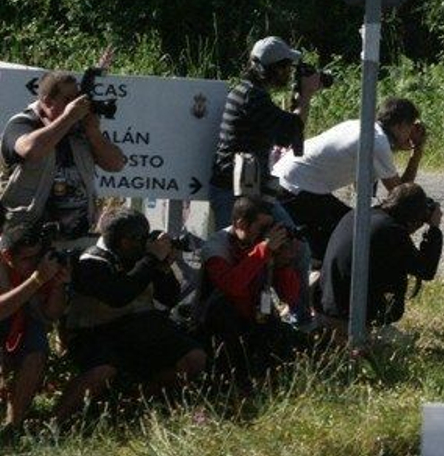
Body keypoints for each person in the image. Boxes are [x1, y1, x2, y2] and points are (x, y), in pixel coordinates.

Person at [55, 208, 207, 421]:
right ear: (115, 239)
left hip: (137, 330)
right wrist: (151, 259)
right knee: (102, 371)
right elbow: (119, 295)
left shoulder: (143, 259)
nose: (139, 244)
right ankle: (55, 421)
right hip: (93, 334)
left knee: (194, 358)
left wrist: (163, 266)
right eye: (133, 239)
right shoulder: (90, 262)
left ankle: (136, 401)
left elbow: (168, 298)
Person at [209, 36, 319, 321]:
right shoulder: (252, 97)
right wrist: (305, 97)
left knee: (295, 247)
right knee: (242, 260)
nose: (288, 73)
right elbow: (288, 132)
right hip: (236, 196)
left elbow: (284, 130)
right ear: (271, 68)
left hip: (248, 192)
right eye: (285, 67)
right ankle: (268, 320)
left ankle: (295, 314)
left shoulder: (249, 92)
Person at [271, 97, 427, 261]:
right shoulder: (378, 142)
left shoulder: (362, 127)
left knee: (350, 230)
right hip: (296, 187)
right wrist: (417, 152)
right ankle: (321, 277)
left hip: (293, 180)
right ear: (400, 125)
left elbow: (362, 188)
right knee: (339, 245)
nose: (411, 134)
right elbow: (401, 194)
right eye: (410, 127)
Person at [1, 58, 127, 243]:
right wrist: (68, 118)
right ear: (47, 101)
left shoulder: (80, 129)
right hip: (26, 240)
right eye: (68, 100)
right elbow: (31, 150)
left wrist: (93, 132)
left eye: (77, 99)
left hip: (75, 236)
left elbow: (116, 164)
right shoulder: (23, 123)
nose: (76, 105)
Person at [197, 195, 304, 386]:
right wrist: (263, 250)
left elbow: (290, 297)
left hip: (256, 316)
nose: (266, 234)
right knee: (226, 312)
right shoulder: (217, 246)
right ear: (241, 224)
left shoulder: (263, 246)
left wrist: (283, 263)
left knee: (292, 341)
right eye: (261, 228)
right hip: (221, 323)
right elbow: (232, 286)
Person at [320, 182, 442, 330]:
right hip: (352, 316)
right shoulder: (390, 231)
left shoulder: (362, 214)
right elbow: (426, 270)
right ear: (413, 217)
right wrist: (434, 229)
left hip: (328, 304)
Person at [0, 219, 69, 434]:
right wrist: (36, 280)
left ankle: (14, 425)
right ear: (7, 256)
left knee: (36, 352)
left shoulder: (43, 267)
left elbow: (51, 314)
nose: (33, 264)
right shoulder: (36, 273)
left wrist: (58, 284)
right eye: (26, 259)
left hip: (22, 323)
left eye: (36, 257)